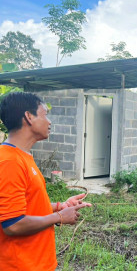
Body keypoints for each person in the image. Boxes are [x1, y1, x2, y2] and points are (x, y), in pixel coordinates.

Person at [0, 92, 92, 271]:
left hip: (38, 262)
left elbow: (26, 206)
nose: (49, 122)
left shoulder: (22, 156)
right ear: (29, 117)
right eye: (45, 114)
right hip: (22, 265)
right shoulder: (9, 161)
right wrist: (59, 217)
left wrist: (60, 206)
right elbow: (13, 224)